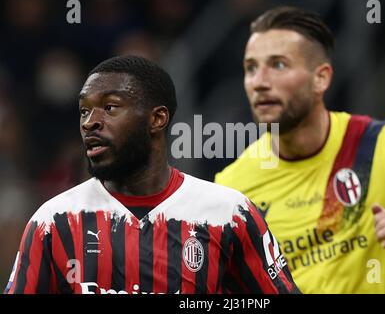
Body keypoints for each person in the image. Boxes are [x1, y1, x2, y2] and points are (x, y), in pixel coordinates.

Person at [5, 55, 299, 294]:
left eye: (109, 107)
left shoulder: (227, 213)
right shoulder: (54, 221)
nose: (90, 123)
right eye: (84, 111)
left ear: (157, 119)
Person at [215, 6, 385, 293]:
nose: (260, 82)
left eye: (278, 65)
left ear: (321, 78)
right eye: (251, 68)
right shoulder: (232, 188)